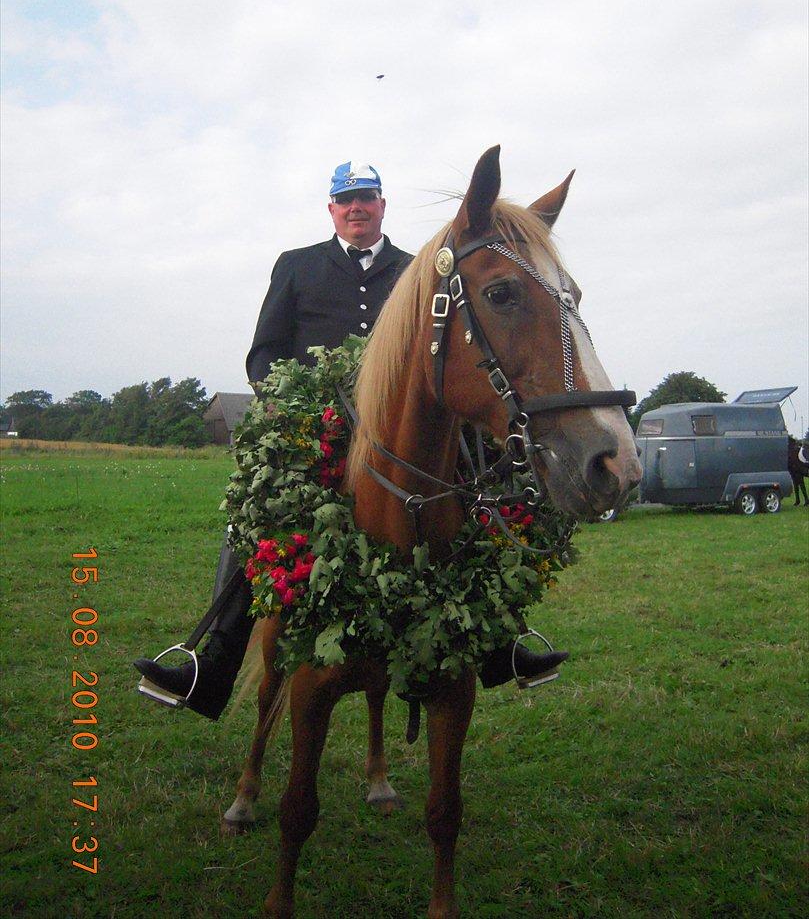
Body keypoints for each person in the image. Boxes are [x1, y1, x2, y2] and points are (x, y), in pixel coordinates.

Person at [134, 160, 567, 720]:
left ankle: (504, 643)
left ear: (382, 206)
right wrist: (284, 403)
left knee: (491, 483)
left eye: (366, 197)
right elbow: (263, 352)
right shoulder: (296, 266)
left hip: (405, 425)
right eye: (345, 200)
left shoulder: (416, 268)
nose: (356, 207)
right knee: (253, 518)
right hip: (319, 427)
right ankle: (211, 661)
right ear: (332, 210)